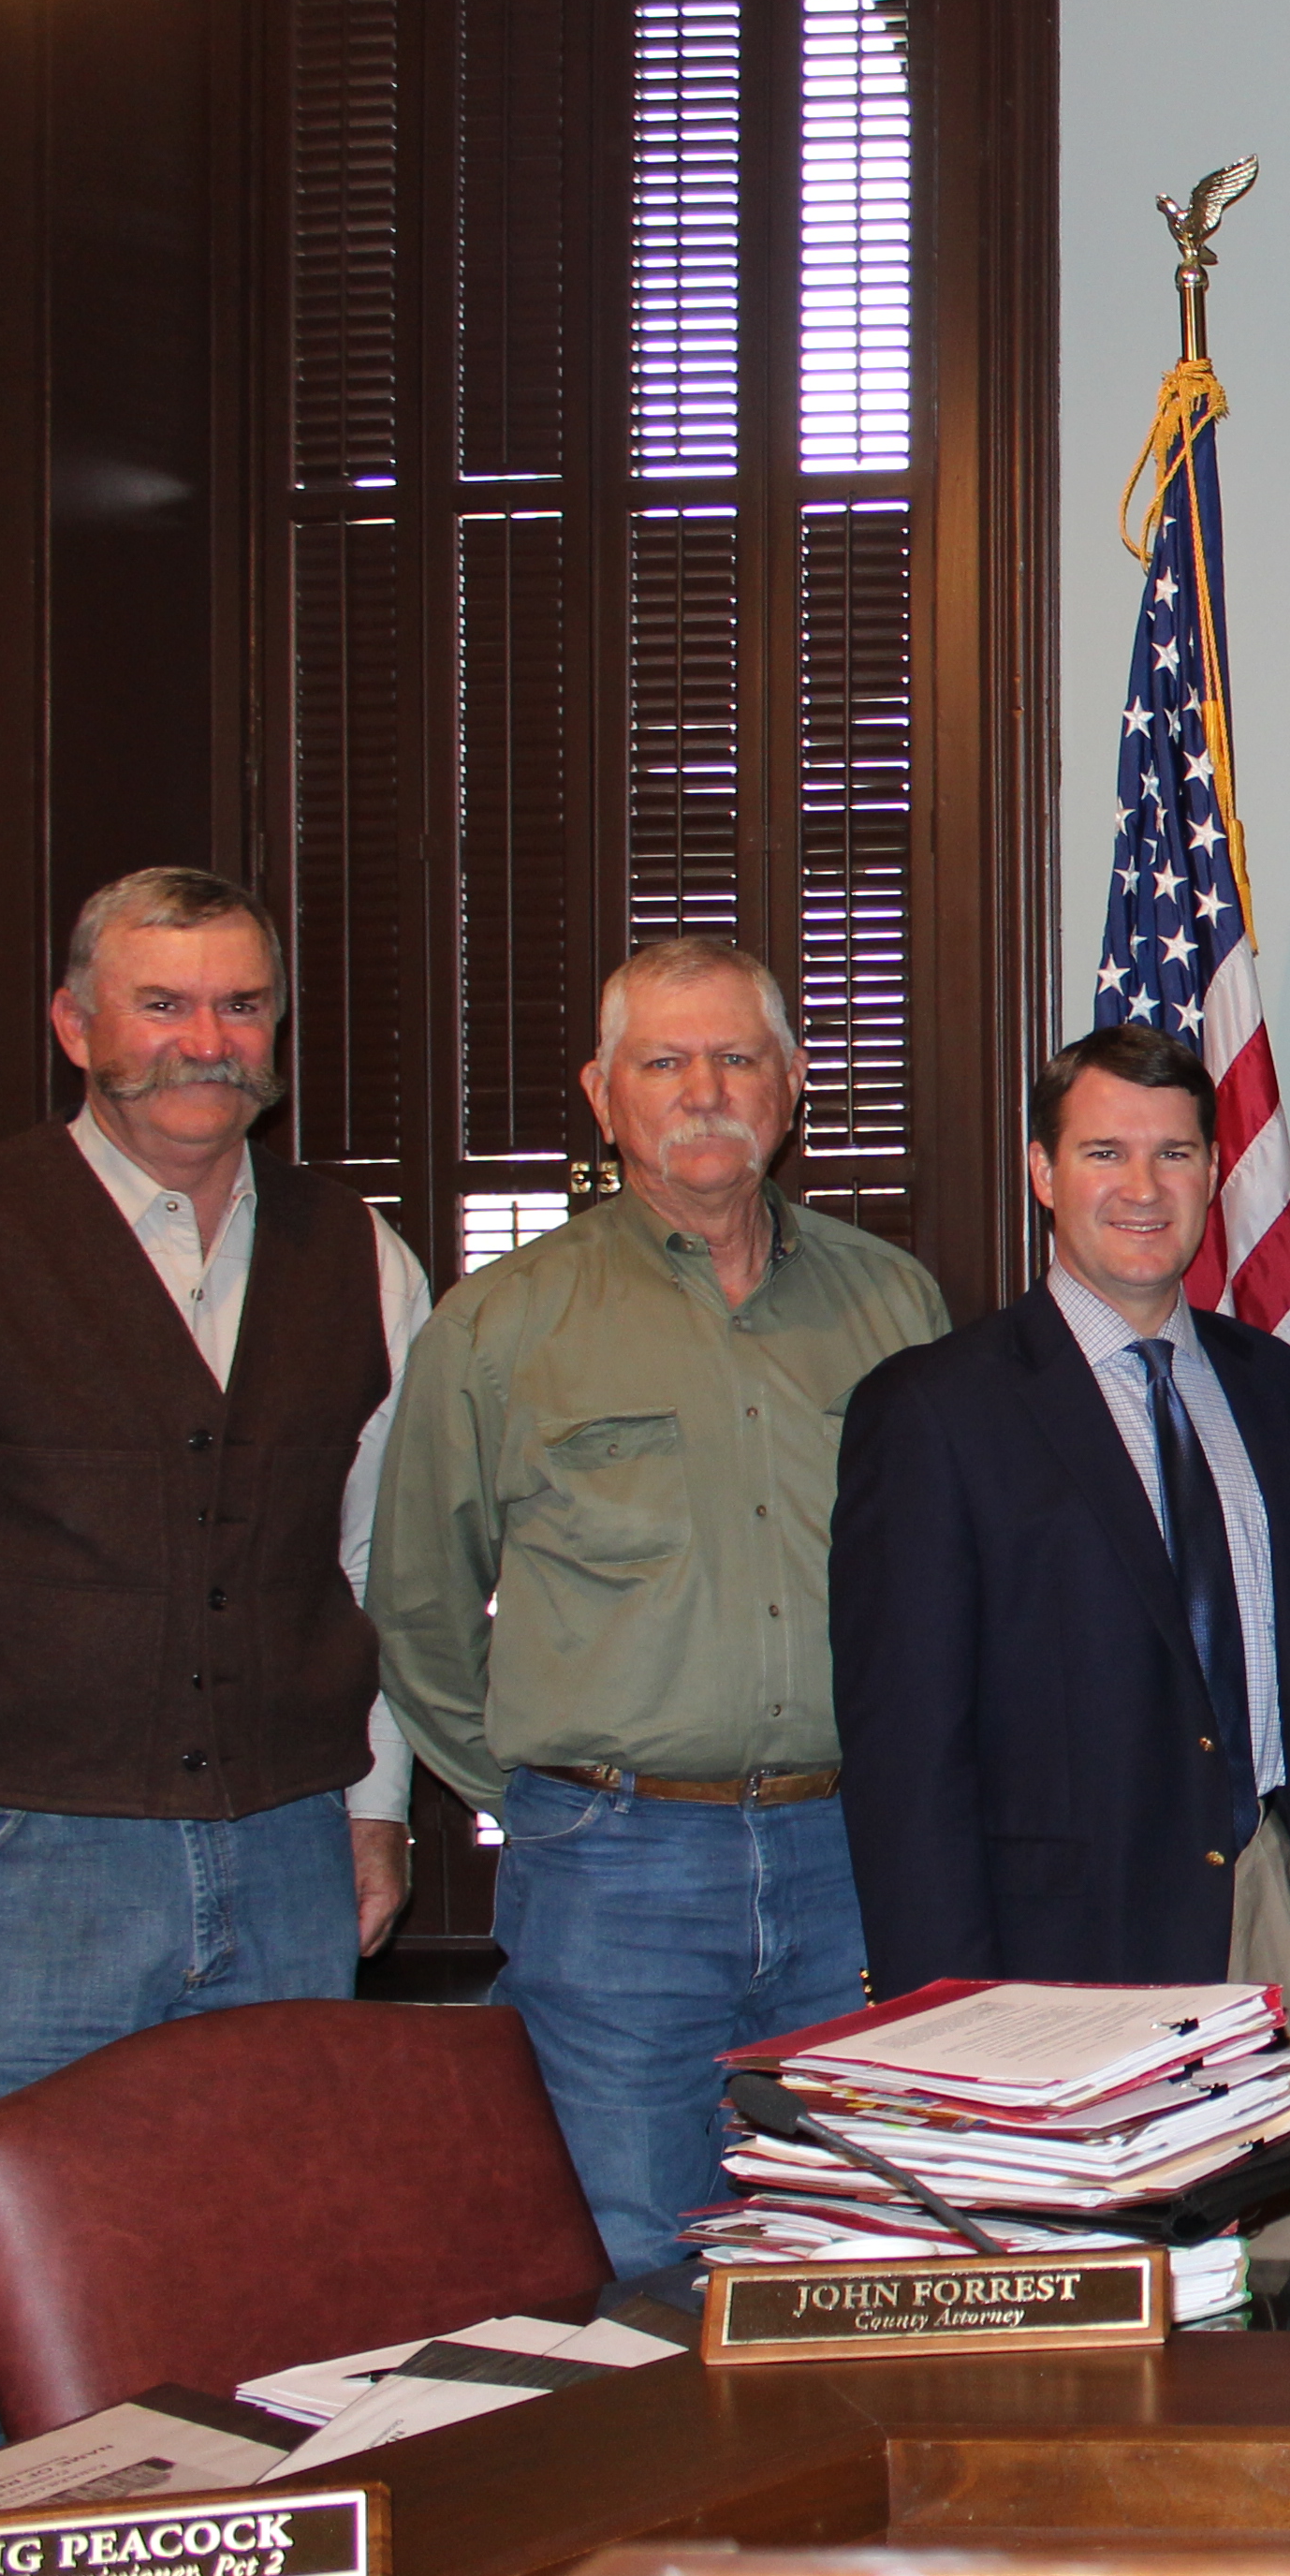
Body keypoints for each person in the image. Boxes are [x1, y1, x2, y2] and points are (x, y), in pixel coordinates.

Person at [0, 869, 430, 2480]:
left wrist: (376, 1806)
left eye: (240, 1004)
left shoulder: (366, 1257)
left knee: (264, 2320)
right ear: (76, 1025)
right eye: (163, 1003)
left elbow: (376, 1570)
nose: (206, 1040)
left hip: (281, 1861)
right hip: (6, 1872)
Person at [369, 935, 950, 2275]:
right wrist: (539, 1793)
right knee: (629, 2250)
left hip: (852, 1860)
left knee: (855, 2255)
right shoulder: (503, 1324)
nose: (706, 1090)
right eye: (665, 1061)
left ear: (794, 1083)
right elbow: (418, 1605)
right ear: (601, 1092)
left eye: (738, 1057)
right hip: (615, 1869)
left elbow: (948, 1582)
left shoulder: (895, 1307)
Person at [833, 1023, 1290, 2073]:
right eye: (1104, 1154)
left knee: (1263, 2239)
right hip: (1053, 1953)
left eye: (1174, 1154)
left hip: (1272, 1908)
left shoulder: (1279, 1393)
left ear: (1215, 1174)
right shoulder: (935, 1411)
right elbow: (907, 1759)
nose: (1144, 1186)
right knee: (1099, 2243)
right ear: (1042, 1172)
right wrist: (944, 2006)